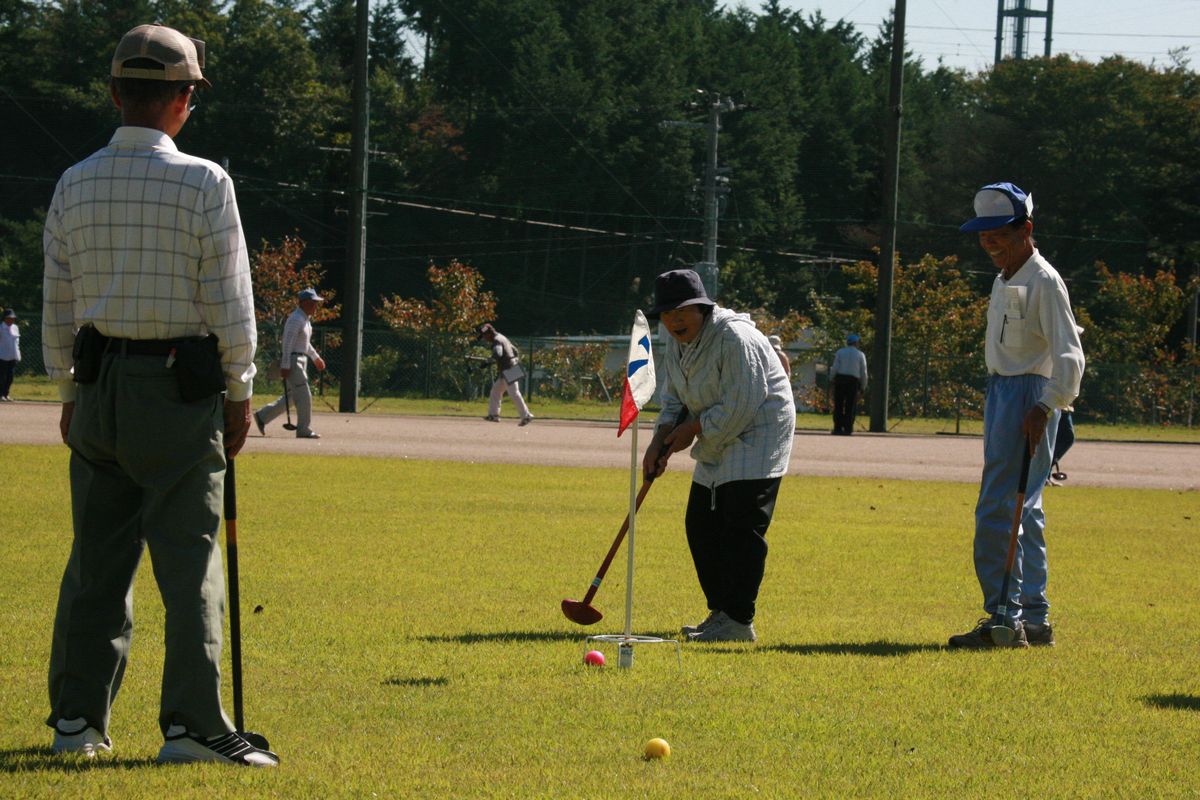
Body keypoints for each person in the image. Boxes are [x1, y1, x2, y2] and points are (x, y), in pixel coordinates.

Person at [41, 24, 276, 765]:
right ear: (184, 99)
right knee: (189, 562)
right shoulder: (206, 181)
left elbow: (57, 298)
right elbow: (231, 305)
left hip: (100, 385)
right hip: (179, 391)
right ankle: (194, 728)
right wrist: (240, 391)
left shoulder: (74, 180)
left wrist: (69, 387)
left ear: (114, 94)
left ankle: (77, 723)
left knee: (96, 565)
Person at [949, 182, 1084, 650]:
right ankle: (1035, 617)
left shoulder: (1044, 280)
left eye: (998, 232)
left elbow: (1071, 354)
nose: (988, 242)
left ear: (1025, 228)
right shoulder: (1006, 276)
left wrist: (1046, 406)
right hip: (1005, 390)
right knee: (1023, 508)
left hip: (1030, 394)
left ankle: (1004, 617)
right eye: (982, 233)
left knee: (999, 508)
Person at [643, 269, 795, 643]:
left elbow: (742, 402)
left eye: (682, 311)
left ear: (702, 308)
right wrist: (658, 440)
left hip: (757, 433)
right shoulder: (676, 342)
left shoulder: (734, 336)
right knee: (701, 525)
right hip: (716, 432)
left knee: (741, 527)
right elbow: (674, 398)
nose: (673, 320)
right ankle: (722, 613)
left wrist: (690, 432)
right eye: (666, 313)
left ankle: (739, 621)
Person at [254, 288, 326, 439]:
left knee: (293, 397)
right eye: (313, 303)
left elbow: (305, 344)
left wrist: (316, 358)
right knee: (304, 395)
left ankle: (262, 416)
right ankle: (304, 429)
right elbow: (287, 344)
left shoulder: (305, 320)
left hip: (300, 360)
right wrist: (286, 365)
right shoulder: (296, 319)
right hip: (294, 361)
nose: (316, 306)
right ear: (305, 303)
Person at [476, 322, 533, 426]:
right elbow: (514, 350)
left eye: (484, 336)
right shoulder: (502, 337)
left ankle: (526, 415)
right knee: (496, 390)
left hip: (509, 369)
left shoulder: (496, 341)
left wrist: (487, 362)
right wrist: (513, 361)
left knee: (514, 393)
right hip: (510, 368)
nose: (484, 339)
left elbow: (498, 353)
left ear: (489, 333)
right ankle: (493, 415)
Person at [829, 333, 868, 435]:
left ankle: (837, 428)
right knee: (850, 405)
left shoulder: (840, 352)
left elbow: (835, 367)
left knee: (839, 404)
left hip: (840, 379)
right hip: (853, 381)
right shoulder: (860, 355)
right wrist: (863, 385)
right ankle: (848, 428)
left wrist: (831, 378)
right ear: (856, 343)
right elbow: (863, 372)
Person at [0, 309, 19, 401]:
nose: (11, 320)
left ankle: (6, 394)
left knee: (10, 377)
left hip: (13, 356)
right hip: (2, 356)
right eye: (9, 318)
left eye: (12, 318)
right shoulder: (0, 328)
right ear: (4, 318)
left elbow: (16, 342)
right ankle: (1, 395)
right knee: (2, 376)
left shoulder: (15, 327)